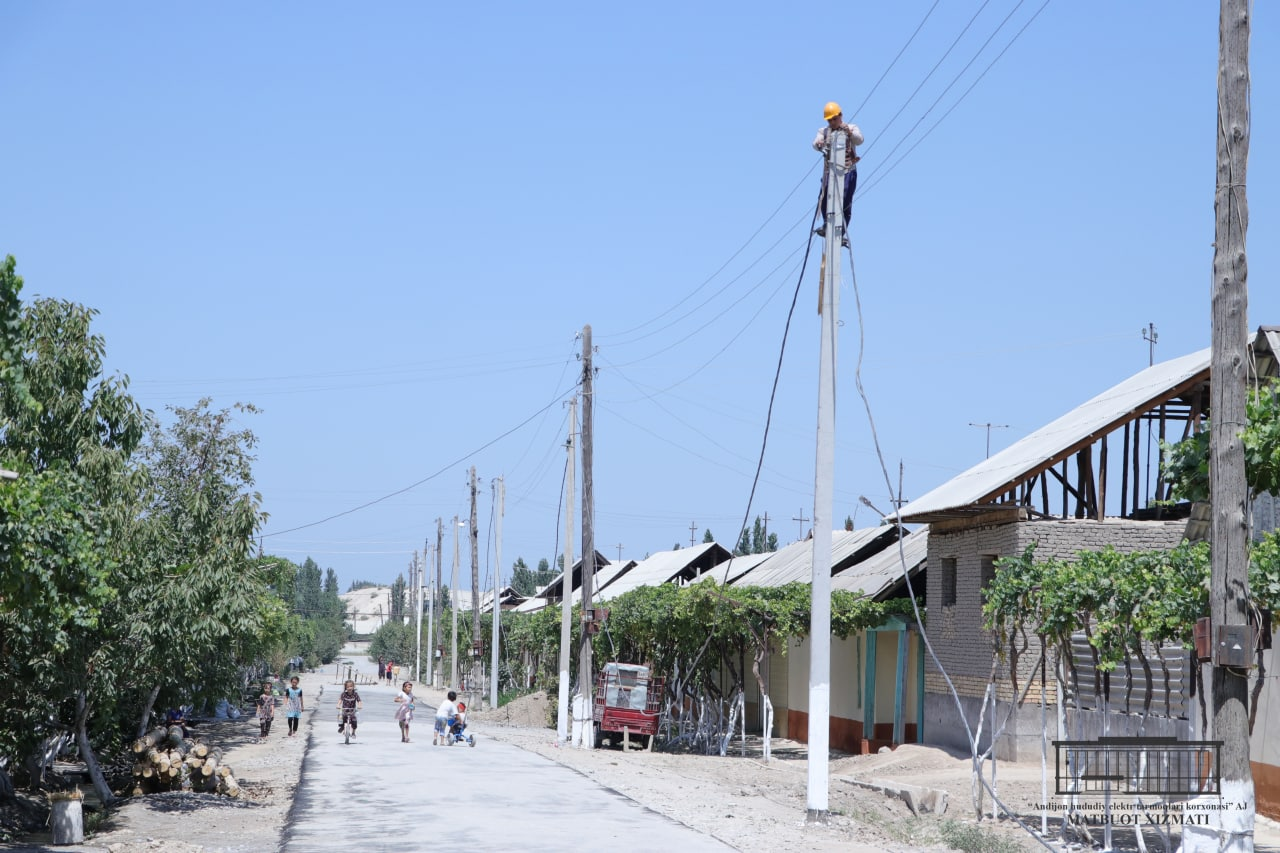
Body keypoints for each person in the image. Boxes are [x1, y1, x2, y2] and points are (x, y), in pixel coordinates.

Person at [812, 101, 864, 247]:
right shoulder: (824, 131)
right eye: (830, 120)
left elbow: (859, 140)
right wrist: (820, 144)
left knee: (845, 200)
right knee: (825, 198)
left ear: (840, 116)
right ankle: (827, 225)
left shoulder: (851, 127)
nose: (833, 122)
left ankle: (839, 232)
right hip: (830, 171)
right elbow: (815, 143)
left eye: (834, 119)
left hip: (848, 171)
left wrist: (848, 132)